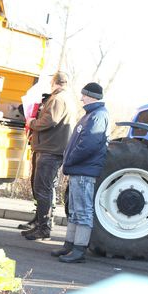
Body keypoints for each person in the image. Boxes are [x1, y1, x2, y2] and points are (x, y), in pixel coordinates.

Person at [51, 82, 108, 263]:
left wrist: (70, 160)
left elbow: (88, 145)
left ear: (91, 96)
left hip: (84, 171)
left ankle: (79, 249)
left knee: (83, 211)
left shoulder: (97, 116)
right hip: (79, 170)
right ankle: (70, 245)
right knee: (75, 211)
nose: (81, 98)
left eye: (84, 95)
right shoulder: (91, 115)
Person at [23, 72, 75, 240]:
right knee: (45, 189)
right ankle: (41, 224)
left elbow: (50, 120)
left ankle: (43, 228)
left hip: (49, 150)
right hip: (52, 149)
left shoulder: (58, 99)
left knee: (43, 189)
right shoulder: (65, 98)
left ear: (55, 83)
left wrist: (32, 123)